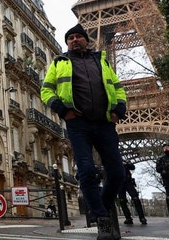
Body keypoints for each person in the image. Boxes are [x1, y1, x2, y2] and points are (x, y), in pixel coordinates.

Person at [42, 23, 127, 240]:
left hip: (105, 122)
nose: (75, 39)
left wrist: (119, 109)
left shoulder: (101, 60)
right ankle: (101, 217)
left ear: (86, 40)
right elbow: (46, 89)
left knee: (118, 173)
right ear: (67, 42)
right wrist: (61, 110)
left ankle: (101, 209)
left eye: (79, 36)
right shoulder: (59, 62)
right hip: (78, 123)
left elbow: (117, 87)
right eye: (70, 37)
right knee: (87, 171)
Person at [117, 161, 147, 225]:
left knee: (136, 198)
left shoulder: (124, 161)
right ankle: (128, 218)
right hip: (119, 183)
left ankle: (142, 217)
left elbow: (132, 167)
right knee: (122, 200)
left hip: (128, 182)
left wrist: (127, 163)